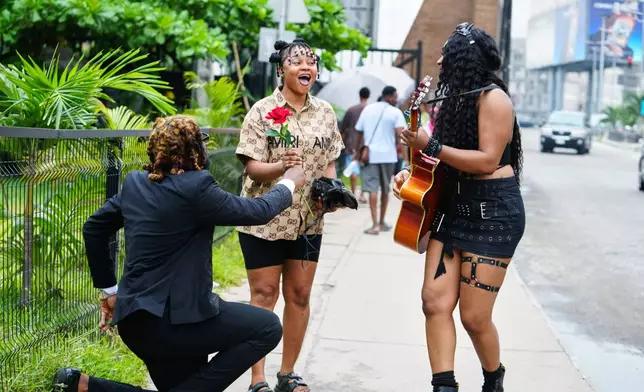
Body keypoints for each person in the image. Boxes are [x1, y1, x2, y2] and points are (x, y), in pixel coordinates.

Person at [52, 115, 306, 392]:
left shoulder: (135, 184)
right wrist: (289, 182)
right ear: (196, 151)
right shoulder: (197, 188)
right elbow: (258, 211)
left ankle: (81, 385)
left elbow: (94, 228)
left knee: (186, 385)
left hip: (135, 324)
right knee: (267, 327)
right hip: (177, 324)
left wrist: (109, 292)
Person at [394, 23, 525, 392]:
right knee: (433, 302)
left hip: (493, 215)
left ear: (464, 59)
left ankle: (493, 378)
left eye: (445, 54)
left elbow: (486, 161)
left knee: (474, 317)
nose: (438, 60)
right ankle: (444, 385)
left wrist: (430, 145)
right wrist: (410, 173)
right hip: (453, 209)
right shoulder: (452, 102)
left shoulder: (494, 99)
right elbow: (441, 159)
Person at [234, 39, 344, 392]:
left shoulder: (325, 112)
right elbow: (251, 167)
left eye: (311, 61)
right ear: (281, 69)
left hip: (309, 220)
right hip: (264, 218)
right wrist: (283, 168)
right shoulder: (262, 111)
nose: (305, 67)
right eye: (297, 62)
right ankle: (257, 379)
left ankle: (288, 373)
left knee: (299, 295)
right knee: (264, 295)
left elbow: (329, 160)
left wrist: (333, 189)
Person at [354, 85, 407, 235]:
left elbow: (358, 131)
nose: (396, 99)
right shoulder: (395, 112)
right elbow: (401, 136)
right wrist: (406, 158)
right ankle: (382, 222)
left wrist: (357, 151)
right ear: (389, 97)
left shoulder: (368, 109)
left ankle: (375, 224)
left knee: (372, 189)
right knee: (385, 189)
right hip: (389, 156)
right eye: (395, 97)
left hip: (370, 156)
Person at [339, 86, 370, 202]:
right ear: (368, 96)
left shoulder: (351, 110)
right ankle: (362, 194)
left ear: (360, 95)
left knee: (353, 169)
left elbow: (342, 129)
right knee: (365, 172)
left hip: (351, 144)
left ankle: (352, 195)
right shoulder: (370, 110)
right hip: (366, 145)